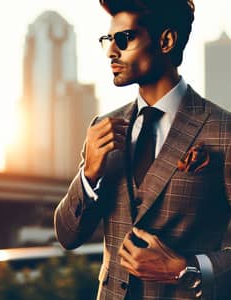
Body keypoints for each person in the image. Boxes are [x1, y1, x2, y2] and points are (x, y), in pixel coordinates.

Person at [54, 0, 231, 299]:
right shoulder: (104, 127)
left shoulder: (222, 130)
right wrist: (89, 174)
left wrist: (186, 268)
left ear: (166, 40)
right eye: (108, 40)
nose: (111, 51)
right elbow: (68, 236)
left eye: (124, 38)